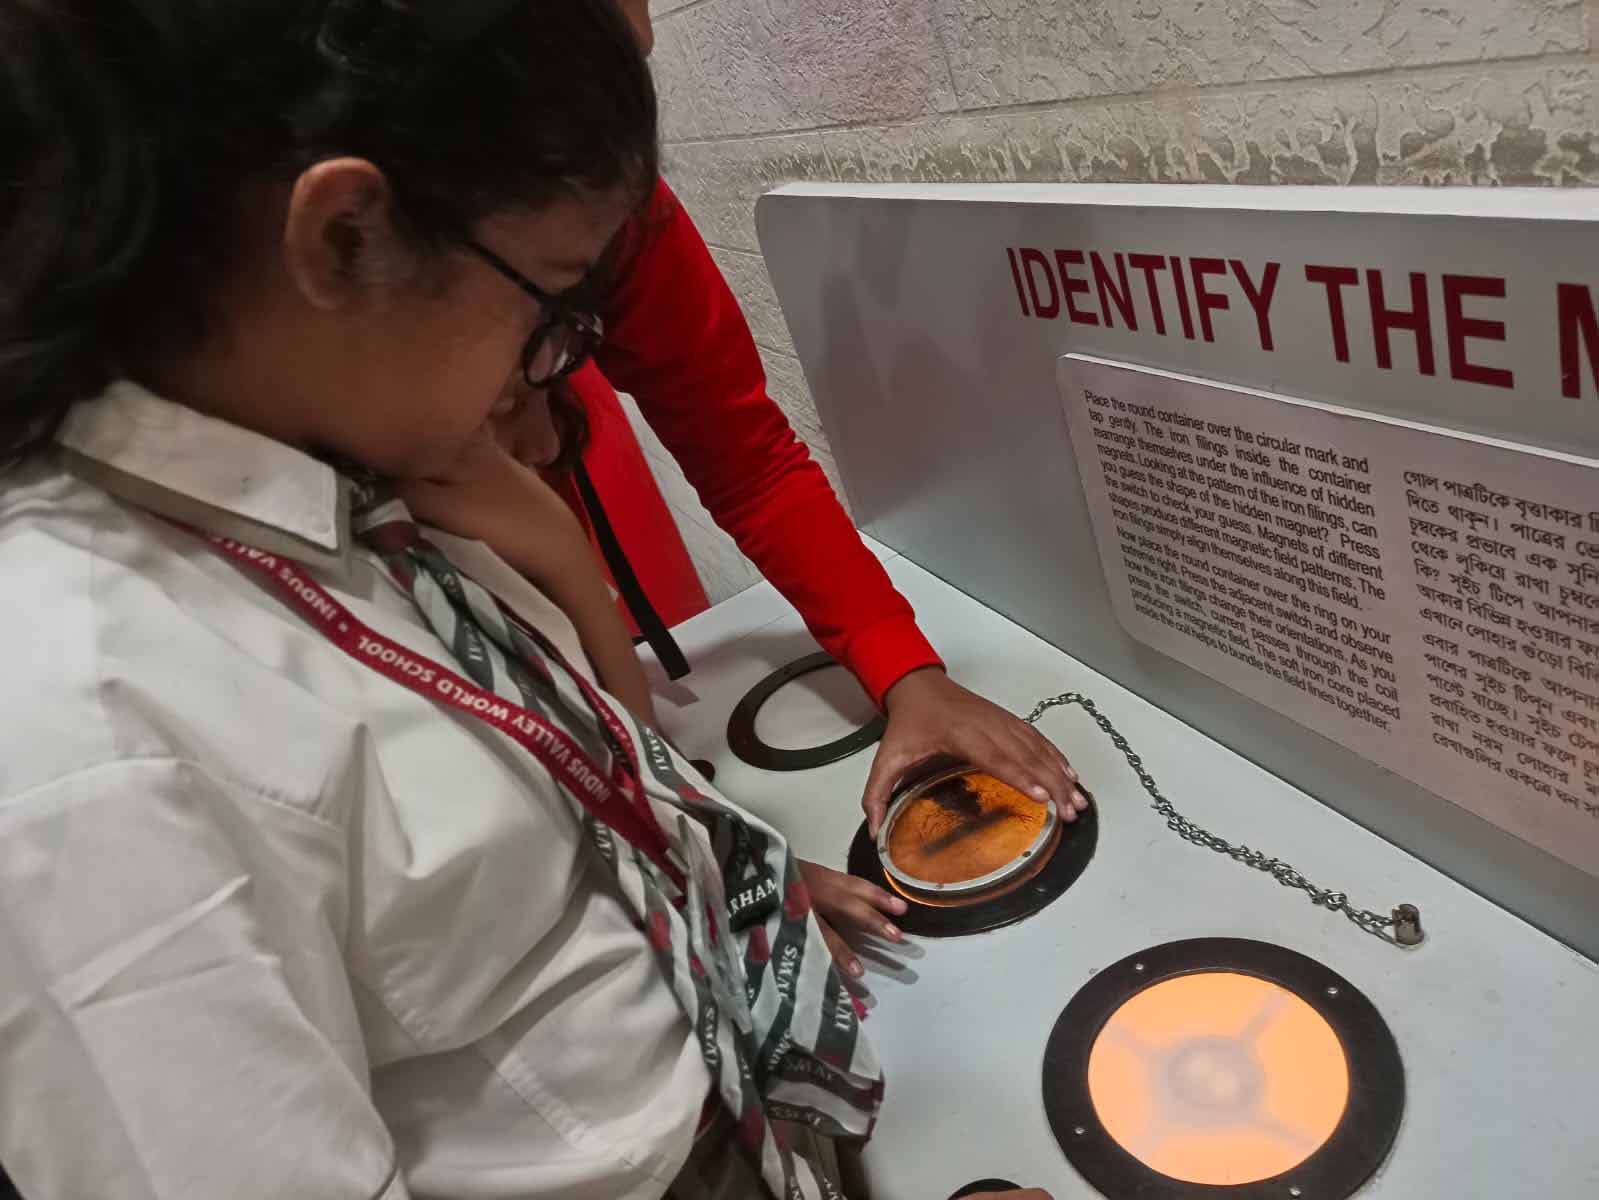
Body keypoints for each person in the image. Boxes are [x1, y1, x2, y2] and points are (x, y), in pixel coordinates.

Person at [0, 2, 1053, 1198]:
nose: (543, 393)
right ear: (344, 237)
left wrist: (717, 882)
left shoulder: (367, 480)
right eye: (547, 308)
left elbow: (567, 797)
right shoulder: (85, 742)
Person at [489, 0, 1093, 977]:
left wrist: (904, 669)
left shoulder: (616, 209)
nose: (636, 41)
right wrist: (689, 854)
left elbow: (748, 459)